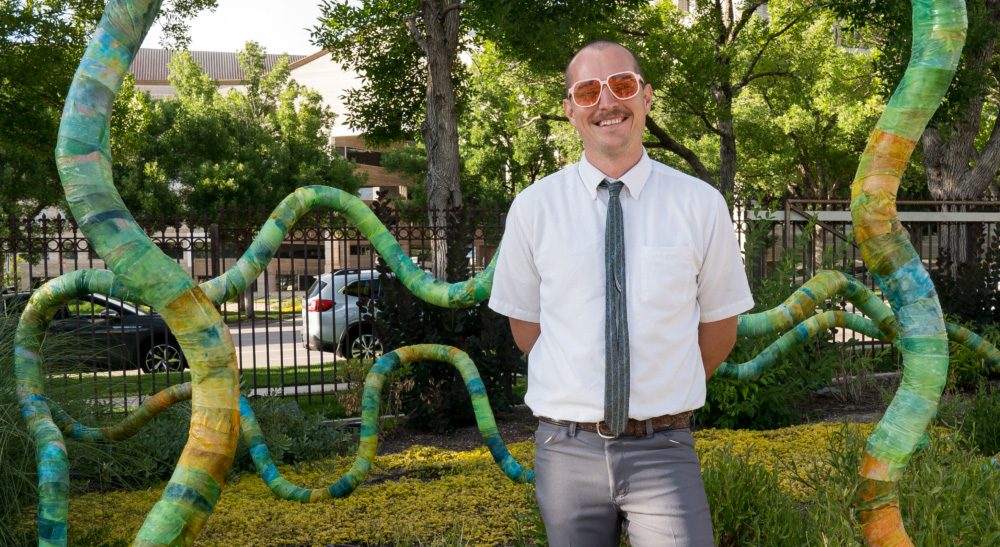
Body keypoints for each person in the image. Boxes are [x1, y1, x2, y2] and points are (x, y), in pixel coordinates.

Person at [488, 40, 754, 546]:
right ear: (570, 111)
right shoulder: (533, 207)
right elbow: (527, 325)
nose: (607, 102)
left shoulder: (700, 204)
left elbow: (719, 324)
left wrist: (663, 391)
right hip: (566, 451)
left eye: (622, 86)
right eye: (588, 91)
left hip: (663, 448)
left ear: (647, 97)